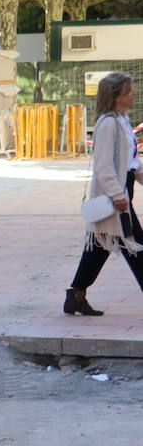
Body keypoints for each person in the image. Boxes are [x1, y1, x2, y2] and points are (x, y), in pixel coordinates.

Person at [65, 71, 143, 315]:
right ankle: (75, 295)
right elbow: (103, 166)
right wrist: (118, 196)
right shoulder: (107, 123)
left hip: (122, 190)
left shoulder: (121, 120)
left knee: (99, 245)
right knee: (135, 245)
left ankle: (75, 295)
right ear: (117, 96)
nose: (134, 94)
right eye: (129, 90)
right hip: (114, 195)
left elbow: (130, 160)